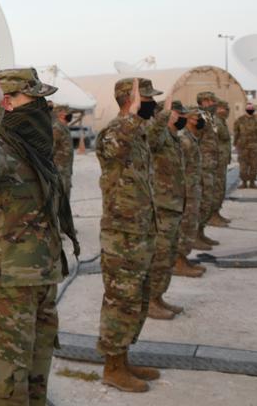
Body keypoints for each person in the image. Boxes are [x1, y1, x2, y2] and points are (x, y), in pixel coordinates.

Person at [0, 59, 78, 406]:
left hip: (39, 283)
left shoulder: (34, 152)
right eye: (33, 99)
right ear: (8, 103)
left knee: (35, 383)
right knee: (4, 393)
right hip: (3, 290)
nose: (43, 107)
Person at [96, 77, 162, 393]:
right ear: (129, 100)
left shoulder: (138, 134)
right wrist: (131, 115)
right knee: (121, 300)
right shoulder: (113, 133)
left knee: (137, 299)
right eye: (146, 99)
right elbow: (114, 148)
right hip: (121, 235)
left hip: (141, 230)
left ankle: (123, 359)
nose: (151, 104)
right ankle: (112, 366)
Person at [147, 100, 189, 318]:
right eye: (176, 112)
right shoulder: (159, 135)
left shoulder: (173, 138)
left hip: (173, 204)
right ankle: (150, 301)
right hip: (161, 206)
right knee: (160, 255)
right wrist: (162, 117)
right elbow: (151, 140)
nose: (180, 116)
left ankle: (159, 296)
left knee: (169, 254)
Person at [173, 107, 208, 277]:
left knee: (191, 224)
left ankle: (183, 259)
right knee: (185, 225)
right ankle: (178, 262)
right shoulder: (184, 139)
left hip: (192, 187)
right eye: (196, 118)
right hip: (185, 190)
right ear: (189, 119)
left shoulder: (191, 138)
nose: (199, 121)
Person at [195, 92, 222, 246]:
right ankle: (195, 236)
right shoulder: (199, 117)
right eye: (209, 101)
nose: (212, 103)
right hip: (202, 166)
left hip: (211, 165)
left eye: (213, 100)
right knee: (202, 202)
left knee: (208, 201)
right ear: (202, 102)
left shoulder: (210, 118)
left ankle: (201, 232)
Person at [208, 99, 232, 227]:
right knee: (216, 188)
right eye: (223, 108)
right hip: (216, 160)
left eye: (227, 109)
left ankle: (216, 213)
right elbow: (220, 137)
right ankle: (212, 215)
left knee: (220, 188)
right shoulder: (215, 121)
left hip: (222, 159)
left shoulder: (221, 121)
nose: (226, 111)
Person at [234, 102, 257, 189]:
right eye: (248, 108)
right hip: (243, 147)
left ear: (253, 109)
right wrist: (235, 144)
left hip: (256, 147)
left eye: (251, 108)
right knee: (243, 166)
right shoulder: (239, 120)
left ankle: (252, 182)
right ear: (245, 109)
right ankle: (244, 182)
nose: (250, 109)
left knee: (254, 165)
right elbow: (236, 133)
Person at [52, 104, 75, 197]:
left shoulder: (64, 128)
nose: (70, 115)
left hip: (65, 170)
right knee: (59, 198)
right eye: (68, 112)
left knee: (65, 197)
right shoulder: (56, 128)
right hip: (59, 171)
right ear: (61, 114)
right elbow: (50, 149)